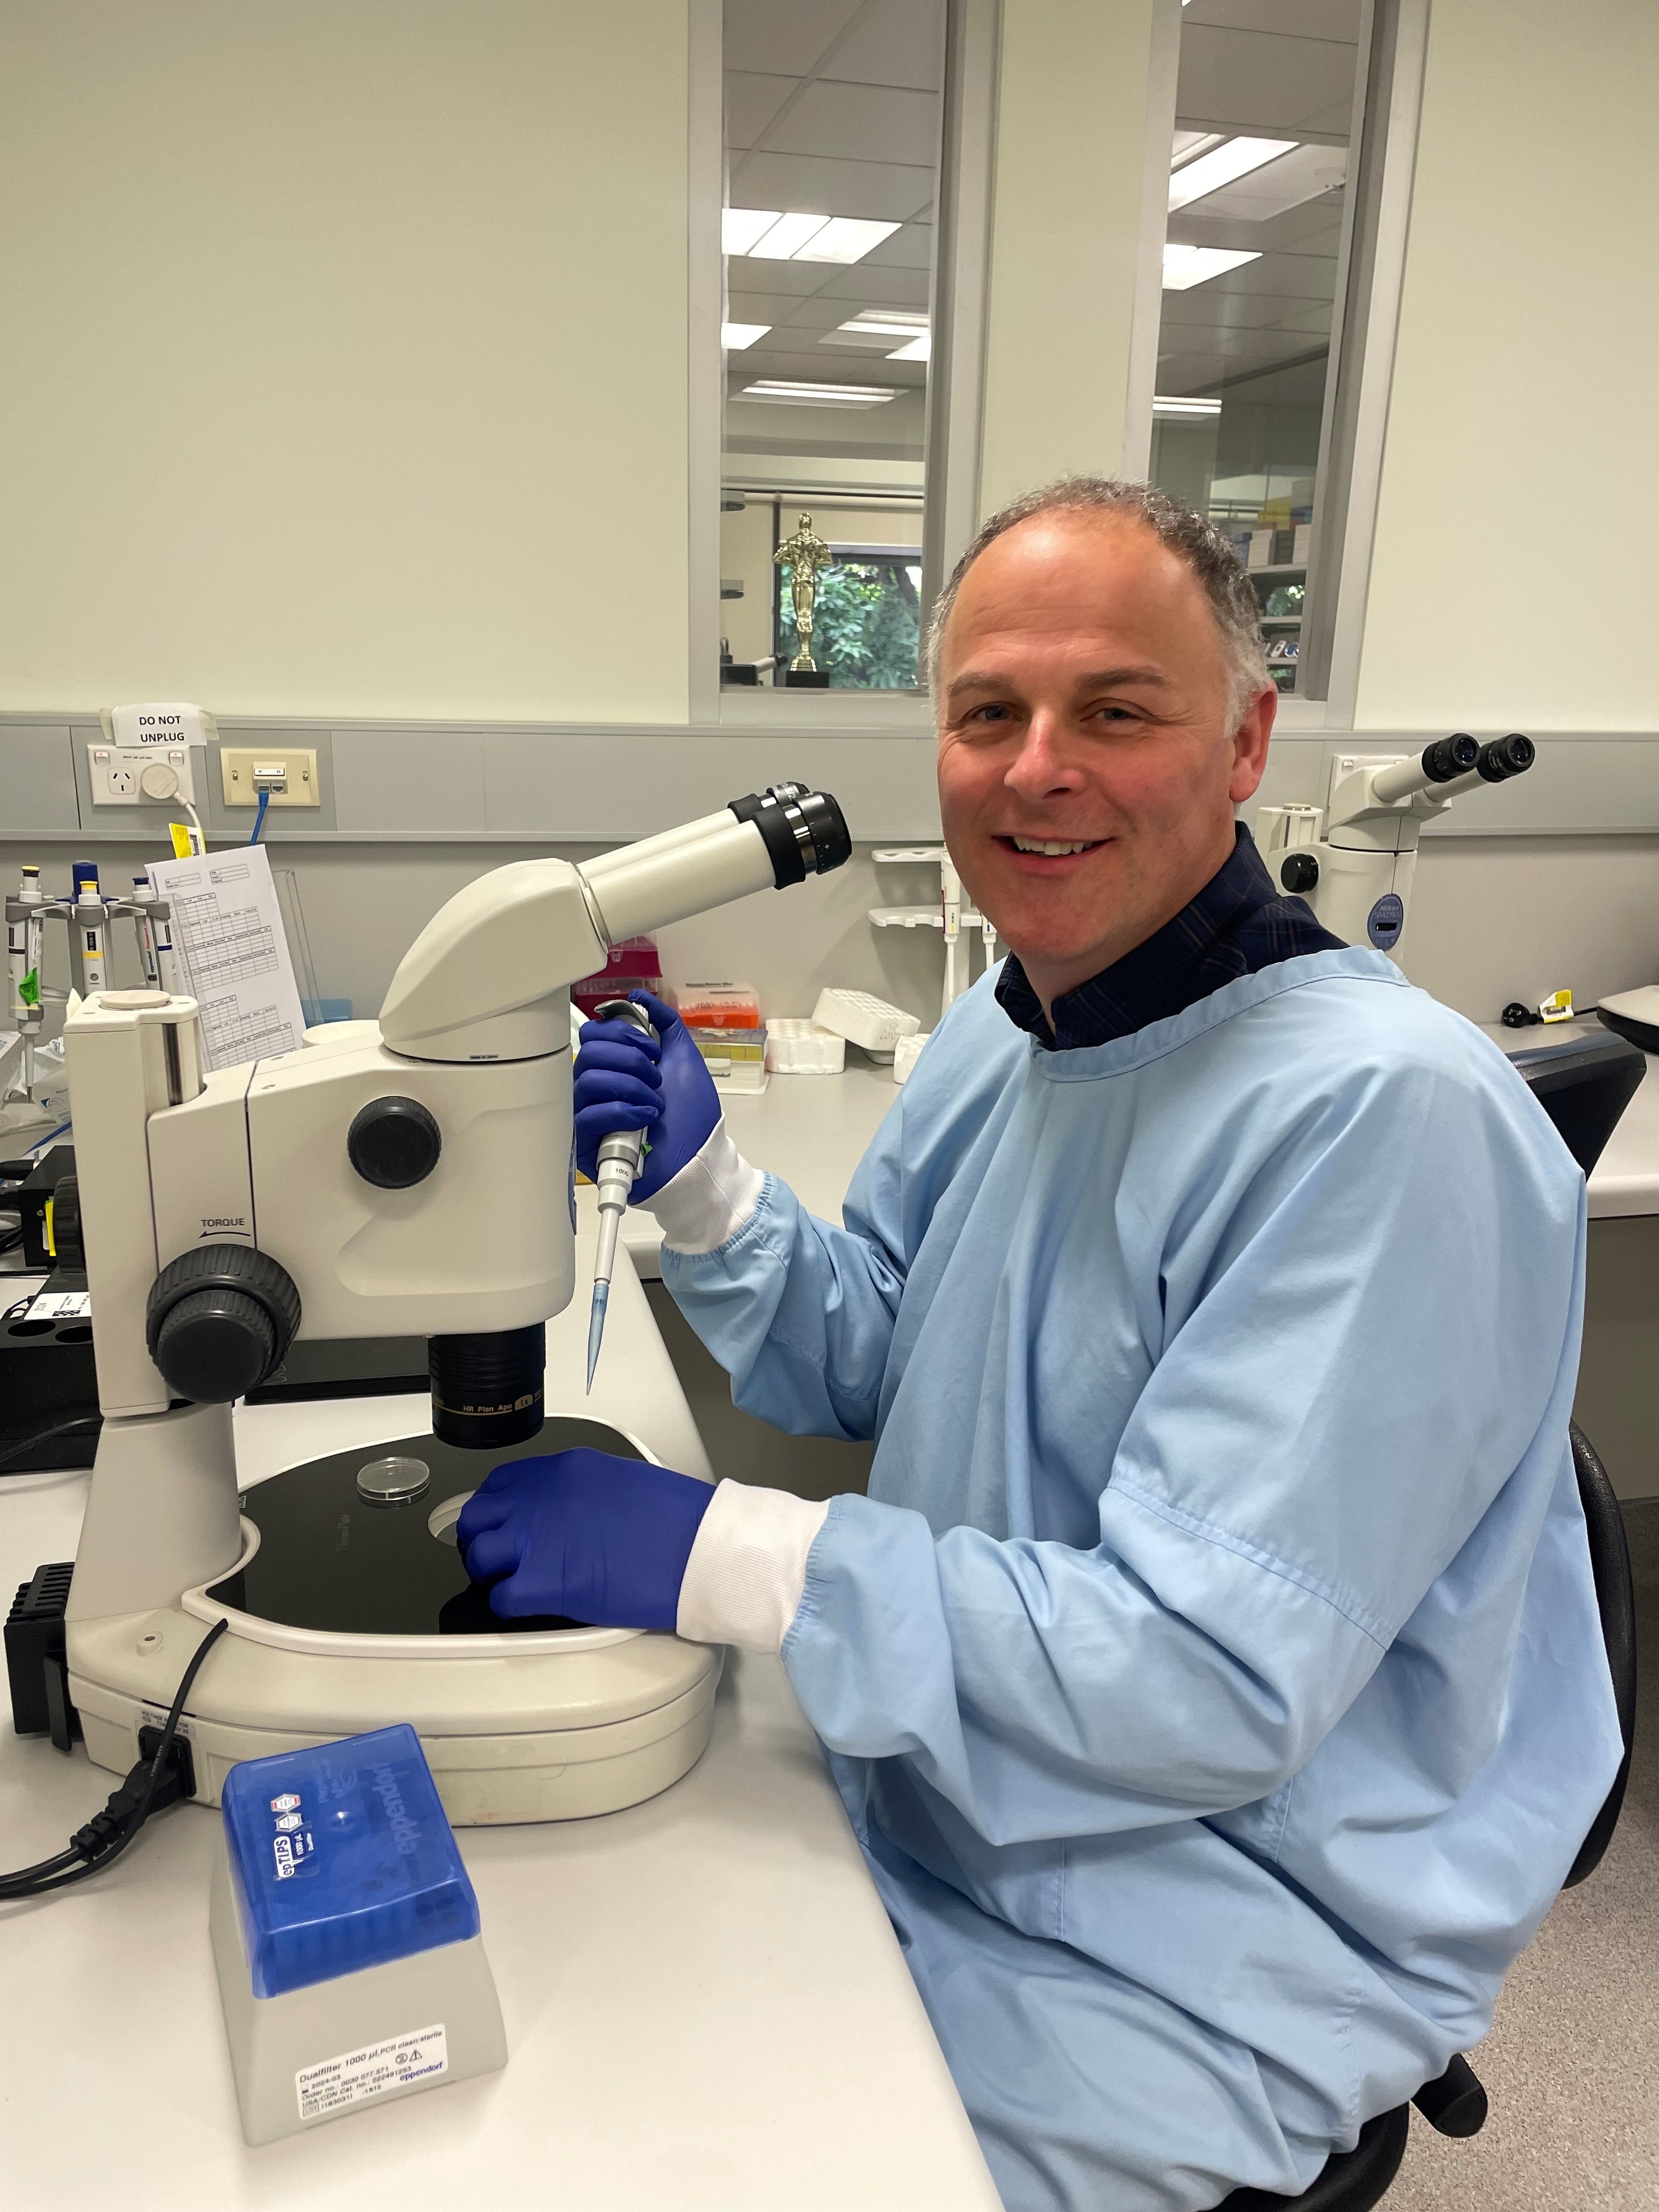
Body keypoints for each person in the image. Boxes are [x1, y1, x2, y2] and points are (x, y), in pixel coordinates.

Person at [457, 479, 1621, 2212]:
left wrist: (731, 1550)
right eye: (987, 713)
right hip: (968, 1779)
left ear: (1245, 743)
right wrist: (704, 1190)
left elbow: (1208, 1679)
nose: (1036, 767)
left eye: (1116, 710)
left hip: (1219, 1927)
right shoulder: (1016, 1026)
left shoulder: (1386, 1123)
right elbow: (884, 1369)